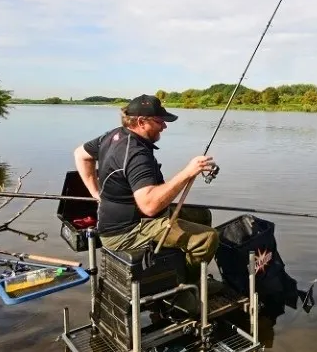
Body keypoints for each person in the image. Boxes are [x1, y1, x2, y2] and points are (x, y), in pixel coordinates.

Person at [72, 94, 219, 280]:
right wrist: (188, 172)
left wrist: (95, 193)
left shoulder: (114, 135)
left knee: (202, 215)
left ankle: (178, 266)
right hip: (128, 231)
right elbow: (150, 206)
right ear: (141, 122)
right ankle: (187, 287)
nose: (164, 127)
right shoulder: (137, 154)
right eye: (160, 121)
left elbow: (80, 154)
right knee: (207, 238)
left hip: (119, 220)